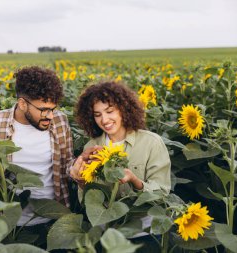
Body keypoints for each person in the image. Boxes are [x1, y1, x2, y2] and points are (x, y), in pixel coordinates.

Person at [0, 66, 74, 246]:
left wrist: (80, 166)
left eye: (53, 108)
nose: (50, 116)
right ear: (22, 104)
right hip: (7, 225)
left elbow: (67, 163)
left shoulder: (60, 121)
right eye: (44, 109)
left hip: (53, 220)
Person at [70, 81, 171, 252]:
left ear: (124, 108)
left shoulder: (151, 142)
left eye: (110, 111)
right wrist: (80, 181)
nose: (104, 120)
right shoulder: (92, 147)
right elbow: (87, 200)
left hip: (143, 234)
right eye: (97, 114)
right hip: (107, 234)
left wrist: (134, 180)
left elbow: (162, 192)